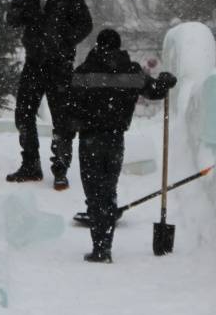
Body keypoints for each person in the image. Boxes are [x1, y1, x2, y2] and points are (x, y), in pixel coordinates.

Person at [67, 28, 176, 263]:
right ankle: (106, 241)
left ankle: (100, 247)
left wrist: (72, 128)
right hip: (115, 139)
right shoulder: (131, 71)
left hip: (90, 139)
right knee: (108, 189)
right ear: (118, 46)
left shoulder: (85, 72)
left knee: (94, 193)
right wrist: (166, 82)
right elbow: (155, 91)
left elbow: (69, 104)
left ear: (98, 45)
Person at [5, 0, 92, 189]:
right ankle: (30, 165)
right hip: (34, 62)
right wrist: (20, 7)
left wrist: (65, 42)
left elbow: (85, 24)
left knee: (62, 119)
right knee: (23, 113)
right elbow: (11, 20)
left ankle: (61, 169)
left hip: (60, 65)